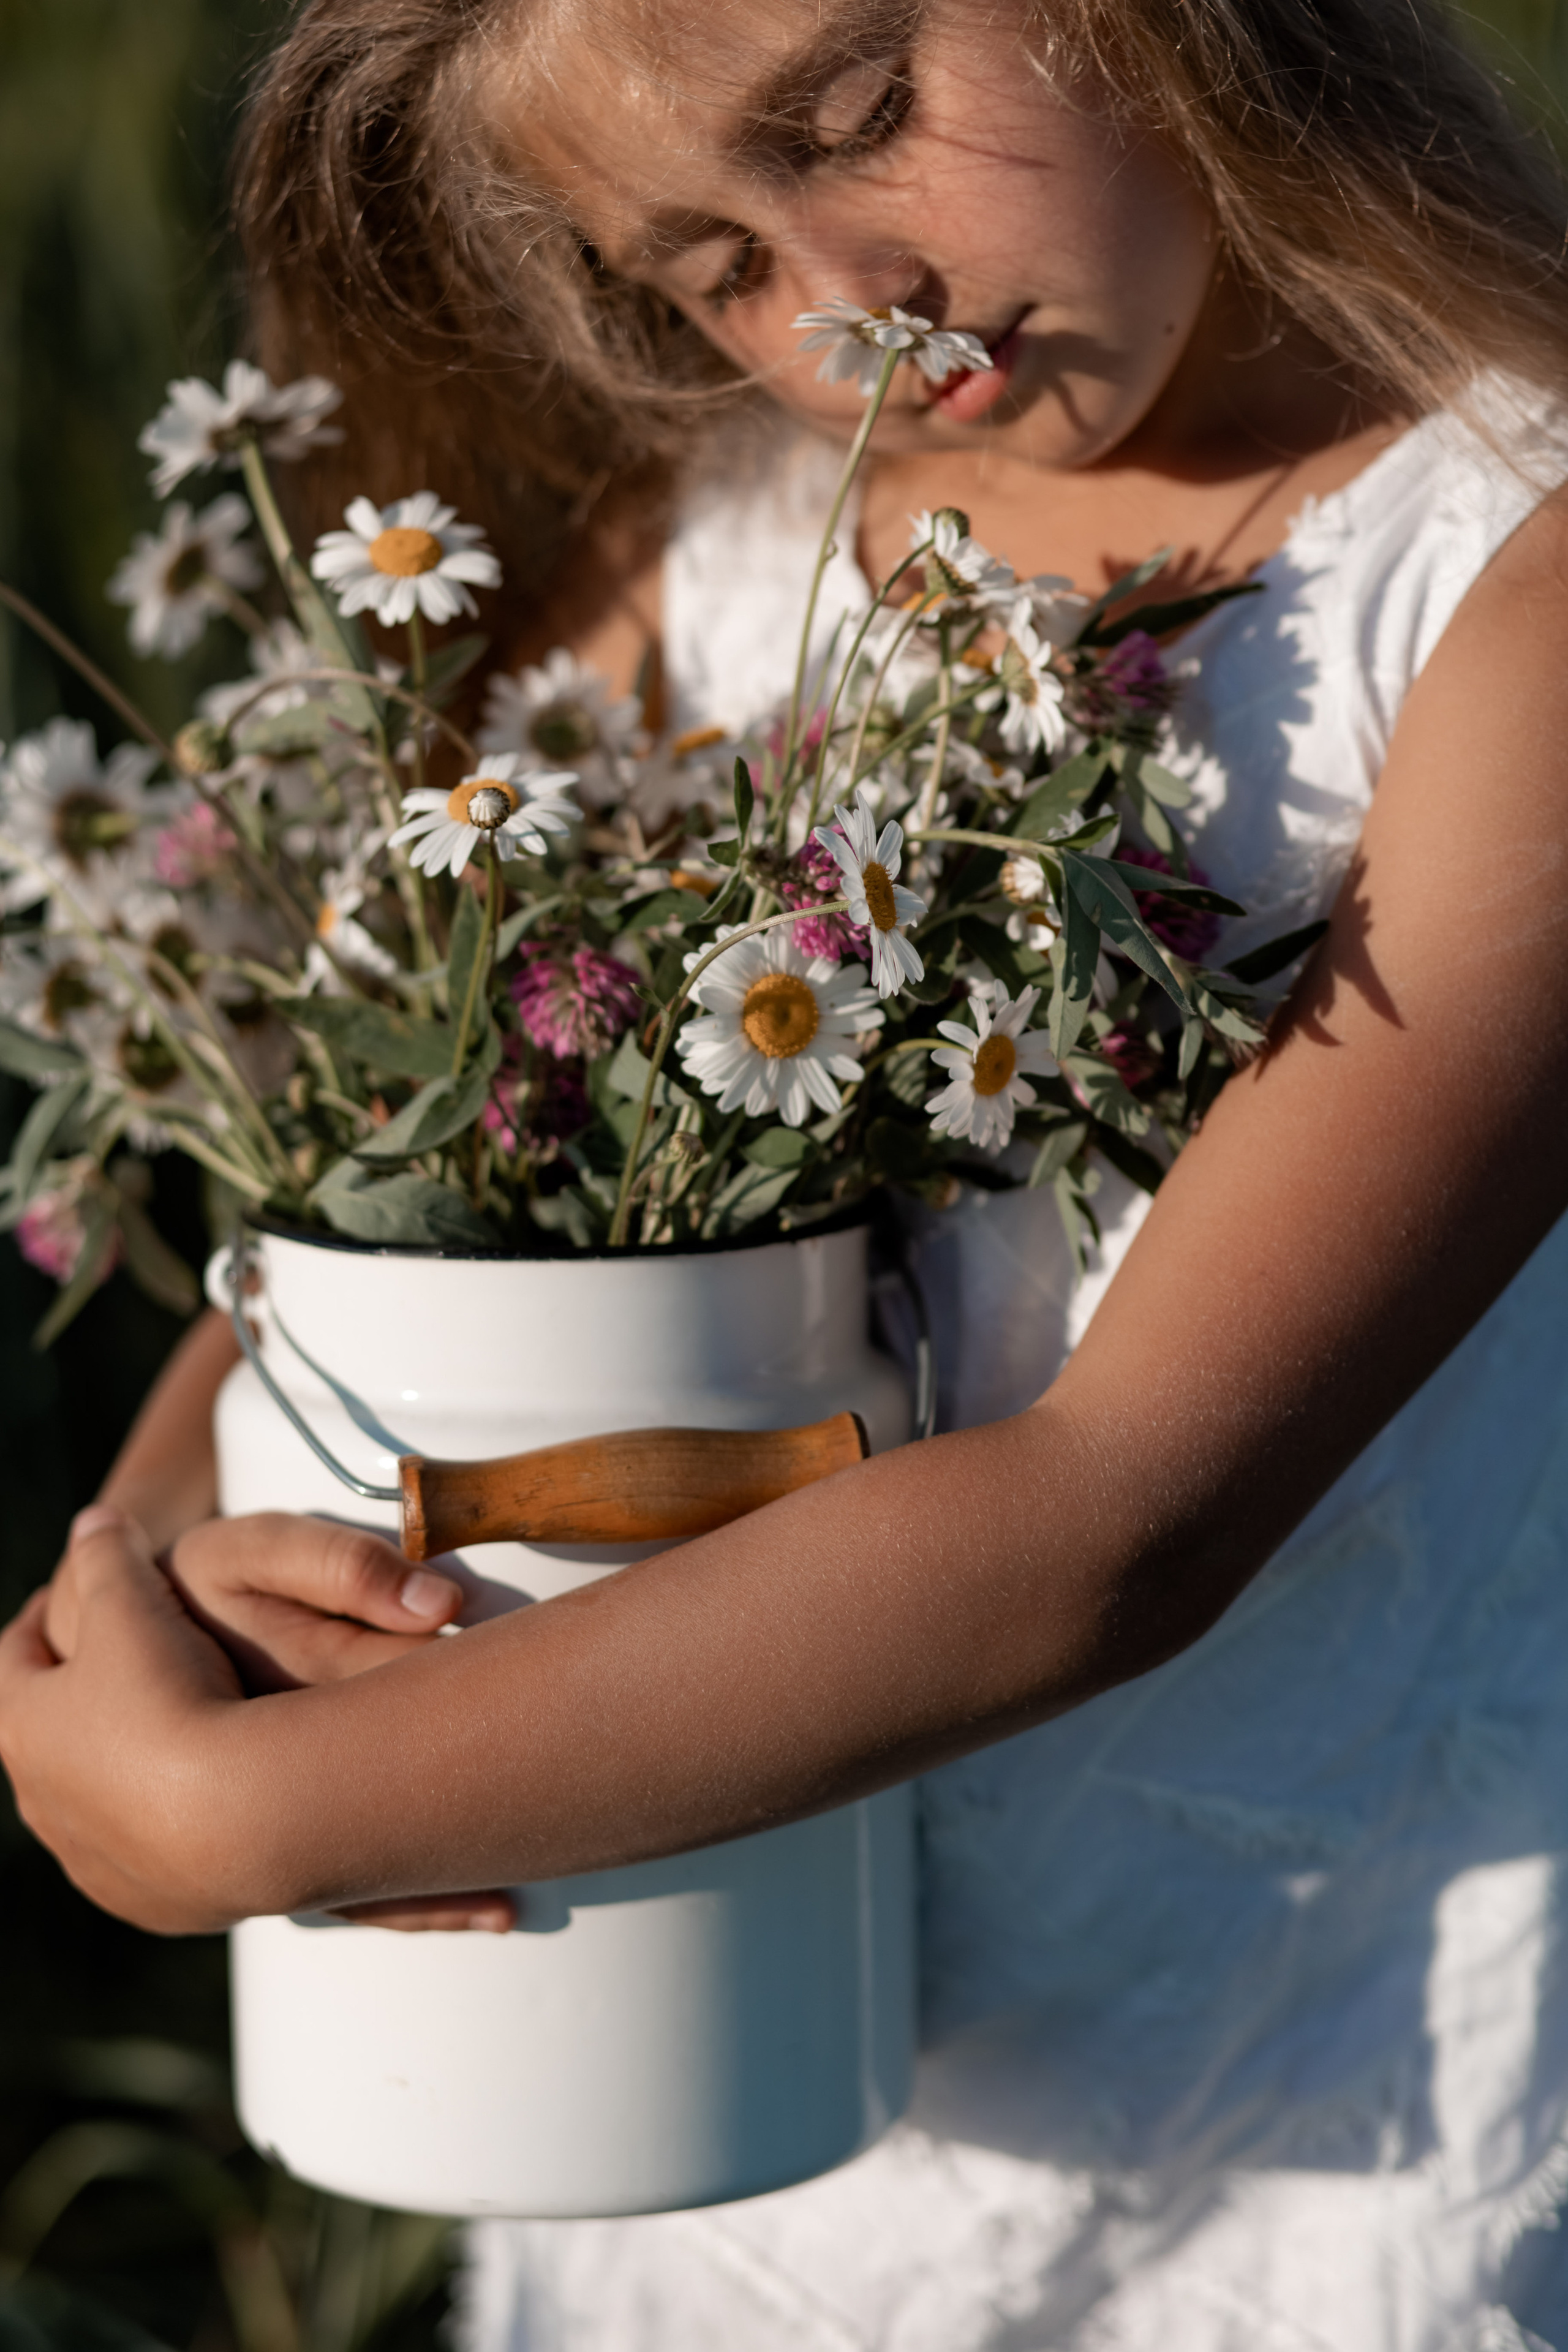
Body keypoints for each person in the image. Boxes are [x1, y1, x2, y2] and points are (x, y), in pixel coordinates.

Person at [7, 0, 1568, 2341]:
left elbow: (1120, 1519)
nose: (848, 297)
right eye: (706, 261)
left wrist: (259, 1819)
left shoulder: (1499, 600)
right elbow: (373, 1197)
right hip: (690, 2083)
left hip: (1304, 2102)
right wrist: (142, 1579)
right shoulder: (726, 565)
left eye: (858, 116)